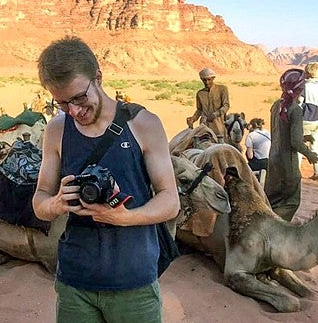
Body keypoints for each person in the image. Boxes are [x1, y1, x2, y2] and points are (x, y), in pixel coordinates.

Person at [32, 36, 180, 323]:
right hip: (75, 282)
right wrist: (57, 203)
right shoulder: (56, 130)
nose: (74, 111)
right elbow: (39, 202)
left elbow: (170, 201)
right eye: (62, 103)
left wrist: (125, 217)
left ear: (97, 77)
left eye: (78, 97)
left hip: (134, 282)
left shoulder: (143, 124)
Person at [264, 68, 318, 222]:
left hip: (273, 162)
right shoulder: (295, 110)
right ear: (300, 88)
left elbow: (281, 133)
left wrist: (302, 136)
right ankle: (276, 229)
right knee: (290, 202)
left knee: (272, 201)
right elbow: (294, 142)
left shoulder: (276, 106)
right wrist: (309, 154)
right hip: (287, 165)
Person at [186, 67, 230, 142]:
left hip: (219, 125)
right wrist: (193, 119)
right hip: (204, 124)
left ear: (213, 78)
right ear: (201, 80)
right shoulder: (200, 93)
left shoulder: (222, 89)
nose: (207, 82)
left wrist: (215, 114)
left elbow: (226, 105)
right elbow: (199, 110)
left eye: (209, 79)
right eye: (204, 80)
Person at [299, 61, 318, 181]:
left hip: (305, 119)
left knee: (299, 146)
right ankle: (317, 172)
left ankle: (296, 172)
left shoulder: (304, 85)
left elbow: (299, 101)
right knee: (314, 147)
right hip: (316, 119)